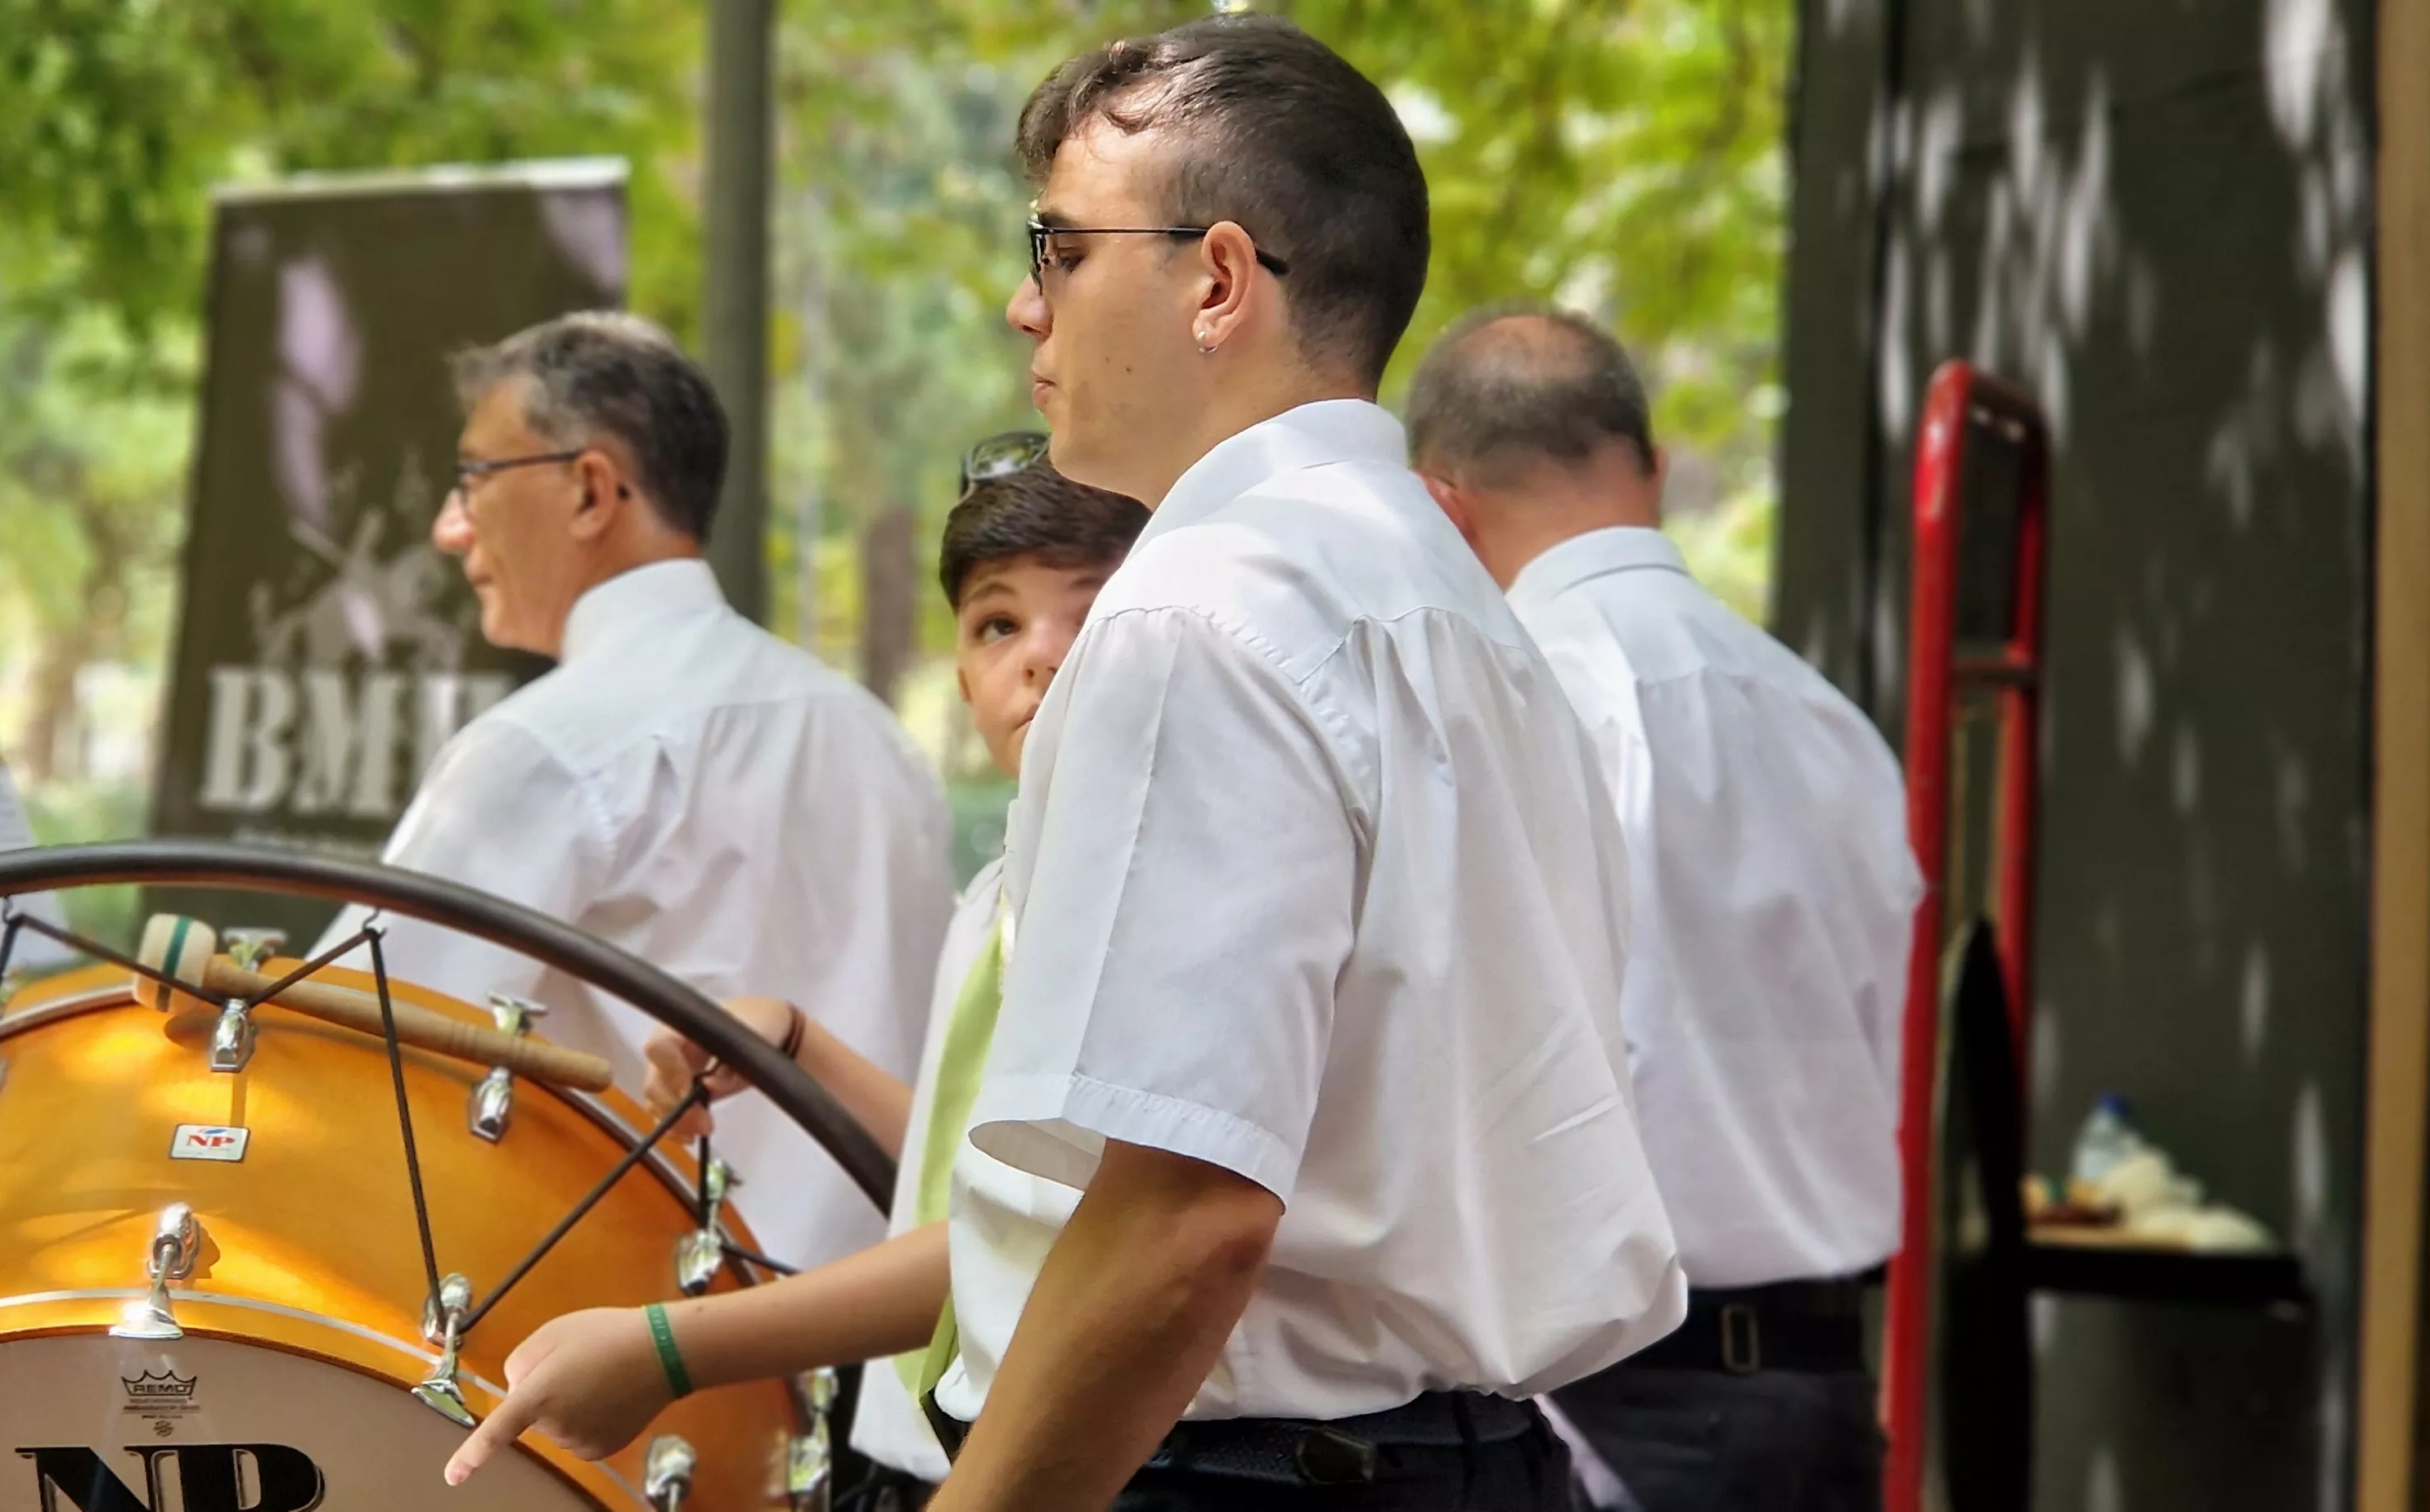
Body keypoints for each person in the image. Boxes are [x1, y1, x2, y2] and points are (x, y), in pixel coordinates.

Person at [453, 24, 1679, 1510]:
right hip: (1463, 1454)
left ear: (1217, 280)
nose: (1021, 305)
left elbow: (1182, 1217)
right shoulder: (1459, 610)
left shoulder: (1203, 608)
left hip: (1230, 1468)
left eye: (1060, 247)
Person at [300, 309, 953, 1280]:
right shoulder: (874, 735)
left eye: (475, 477)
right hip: (901, 1349)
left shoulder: (550, 747)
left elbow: (340, 1049)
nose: (449, 527)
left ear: (591, 490)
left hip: (664, 1366)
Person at [1406, 304, 1918, 1512]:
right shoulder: (1828, 720)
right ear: (1655, 469)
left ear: (1441, 504)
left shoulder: (1519, 699)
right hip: (1825, 1389)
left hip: (1605, 1402)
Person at [602, 448, 1147, 1511]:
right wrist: (801, 1045)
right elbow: (975, 1182)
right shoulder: (993, 896)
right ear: (959, 675)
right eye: (998, 625)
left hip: (1029, 1456)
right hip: (908, 1444)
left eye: (1090, 613)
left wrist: (669, 1349)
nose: (1039, 657)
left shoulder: (1142, 899)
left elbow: (1039, 1244)